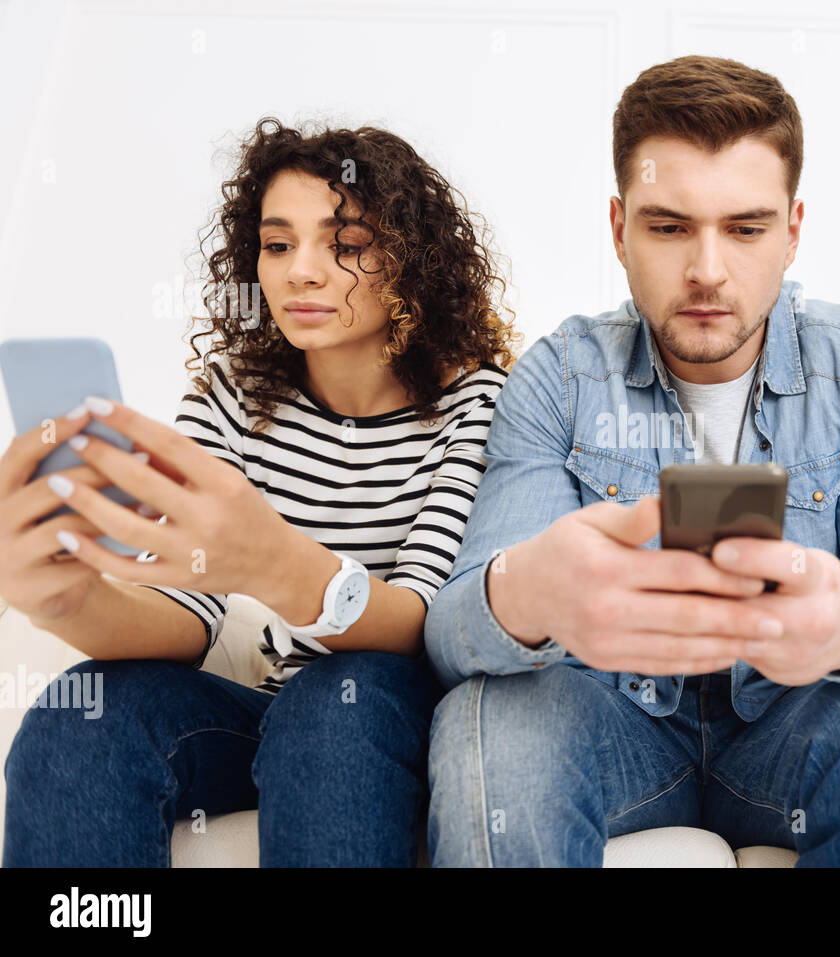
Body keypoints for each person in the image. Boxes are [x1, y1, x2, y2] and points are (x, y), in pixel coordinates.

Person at [424, 55, 840, 868]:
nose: (708, 271)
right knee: (490, 716)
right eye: (669, 226)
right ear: (619, 230)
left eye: (747, 229)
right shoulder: (558, 373)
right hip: (617, 728)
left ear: (794, 231)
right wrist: (530, 590)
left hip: (796, 728)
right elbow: (451, 634)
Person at [1, 118, 514, 866]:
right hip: (276, 717)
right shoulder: (235, 394)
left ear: (412, 261)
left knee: (343, 695)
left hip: (392, 717)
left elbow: (426, 625)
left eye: (347, 244)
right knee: (82, 712)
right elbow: (188, 612)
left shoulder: (480, 402)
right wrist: (65, 600)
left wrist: (278, 564)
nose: (301, 272)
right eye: (278, 244)